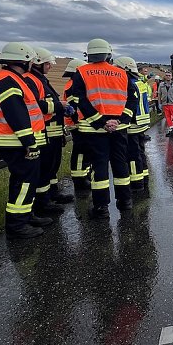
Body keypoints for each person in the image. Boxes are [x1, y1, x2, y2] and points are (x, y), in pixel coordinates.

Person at [0, 42, 51, 239]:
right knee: (23, 182)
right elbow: (16, 114)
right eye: (30, 61)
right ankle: (16, 225)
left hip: (17, 141)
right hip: (15, 142)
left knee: (27, 181)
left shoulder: (14, 79)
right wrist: (29, 142)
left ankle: (26, 215)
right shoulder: (7, 81)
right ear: (23, 61)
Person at [67, 38, 138, 218]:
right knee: (120, 164)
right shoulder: (121, 73)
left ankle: (101, 208)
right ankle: (125, 201)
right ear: (109, 54)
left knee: (99, 167)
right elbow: (132, 99)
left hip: (94, 130)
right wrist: (120, 120)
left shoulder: (81, 72)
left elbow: (79, 101)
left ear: (89, 55)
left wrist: (100, 121)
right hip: (119, 128)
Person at [25, 47, 74, 216]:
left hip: (53, 131)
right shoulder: (31, 80)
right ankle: (43, 203)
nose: (50, 67)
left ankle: (53, 193)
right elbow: (37, 105)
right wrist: (60, 106)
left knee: (52, 166)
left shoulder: (40, 80)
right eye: (47, 63)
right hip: (44, 131)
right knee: (45, 168)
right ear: (38, 63)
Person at [114, 56, 151, 194]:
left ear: (125, 69)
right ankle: (144, 178)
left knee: (132, 154)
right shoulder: (140, 82)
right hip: (142, 122)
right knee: (141, 152)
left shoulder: (128, 83)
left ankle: (136, 183)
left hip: (133, 123)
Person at [62, 58, 91, 192]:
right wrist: (77, 122)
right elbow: (72, 107)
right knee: (80, 153)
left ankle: (84, 177)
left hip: (79, 123)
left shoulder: (73, 84)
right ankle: (80, 181)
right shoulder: (73, 86)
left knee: (84, 152)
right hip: (77, 124)